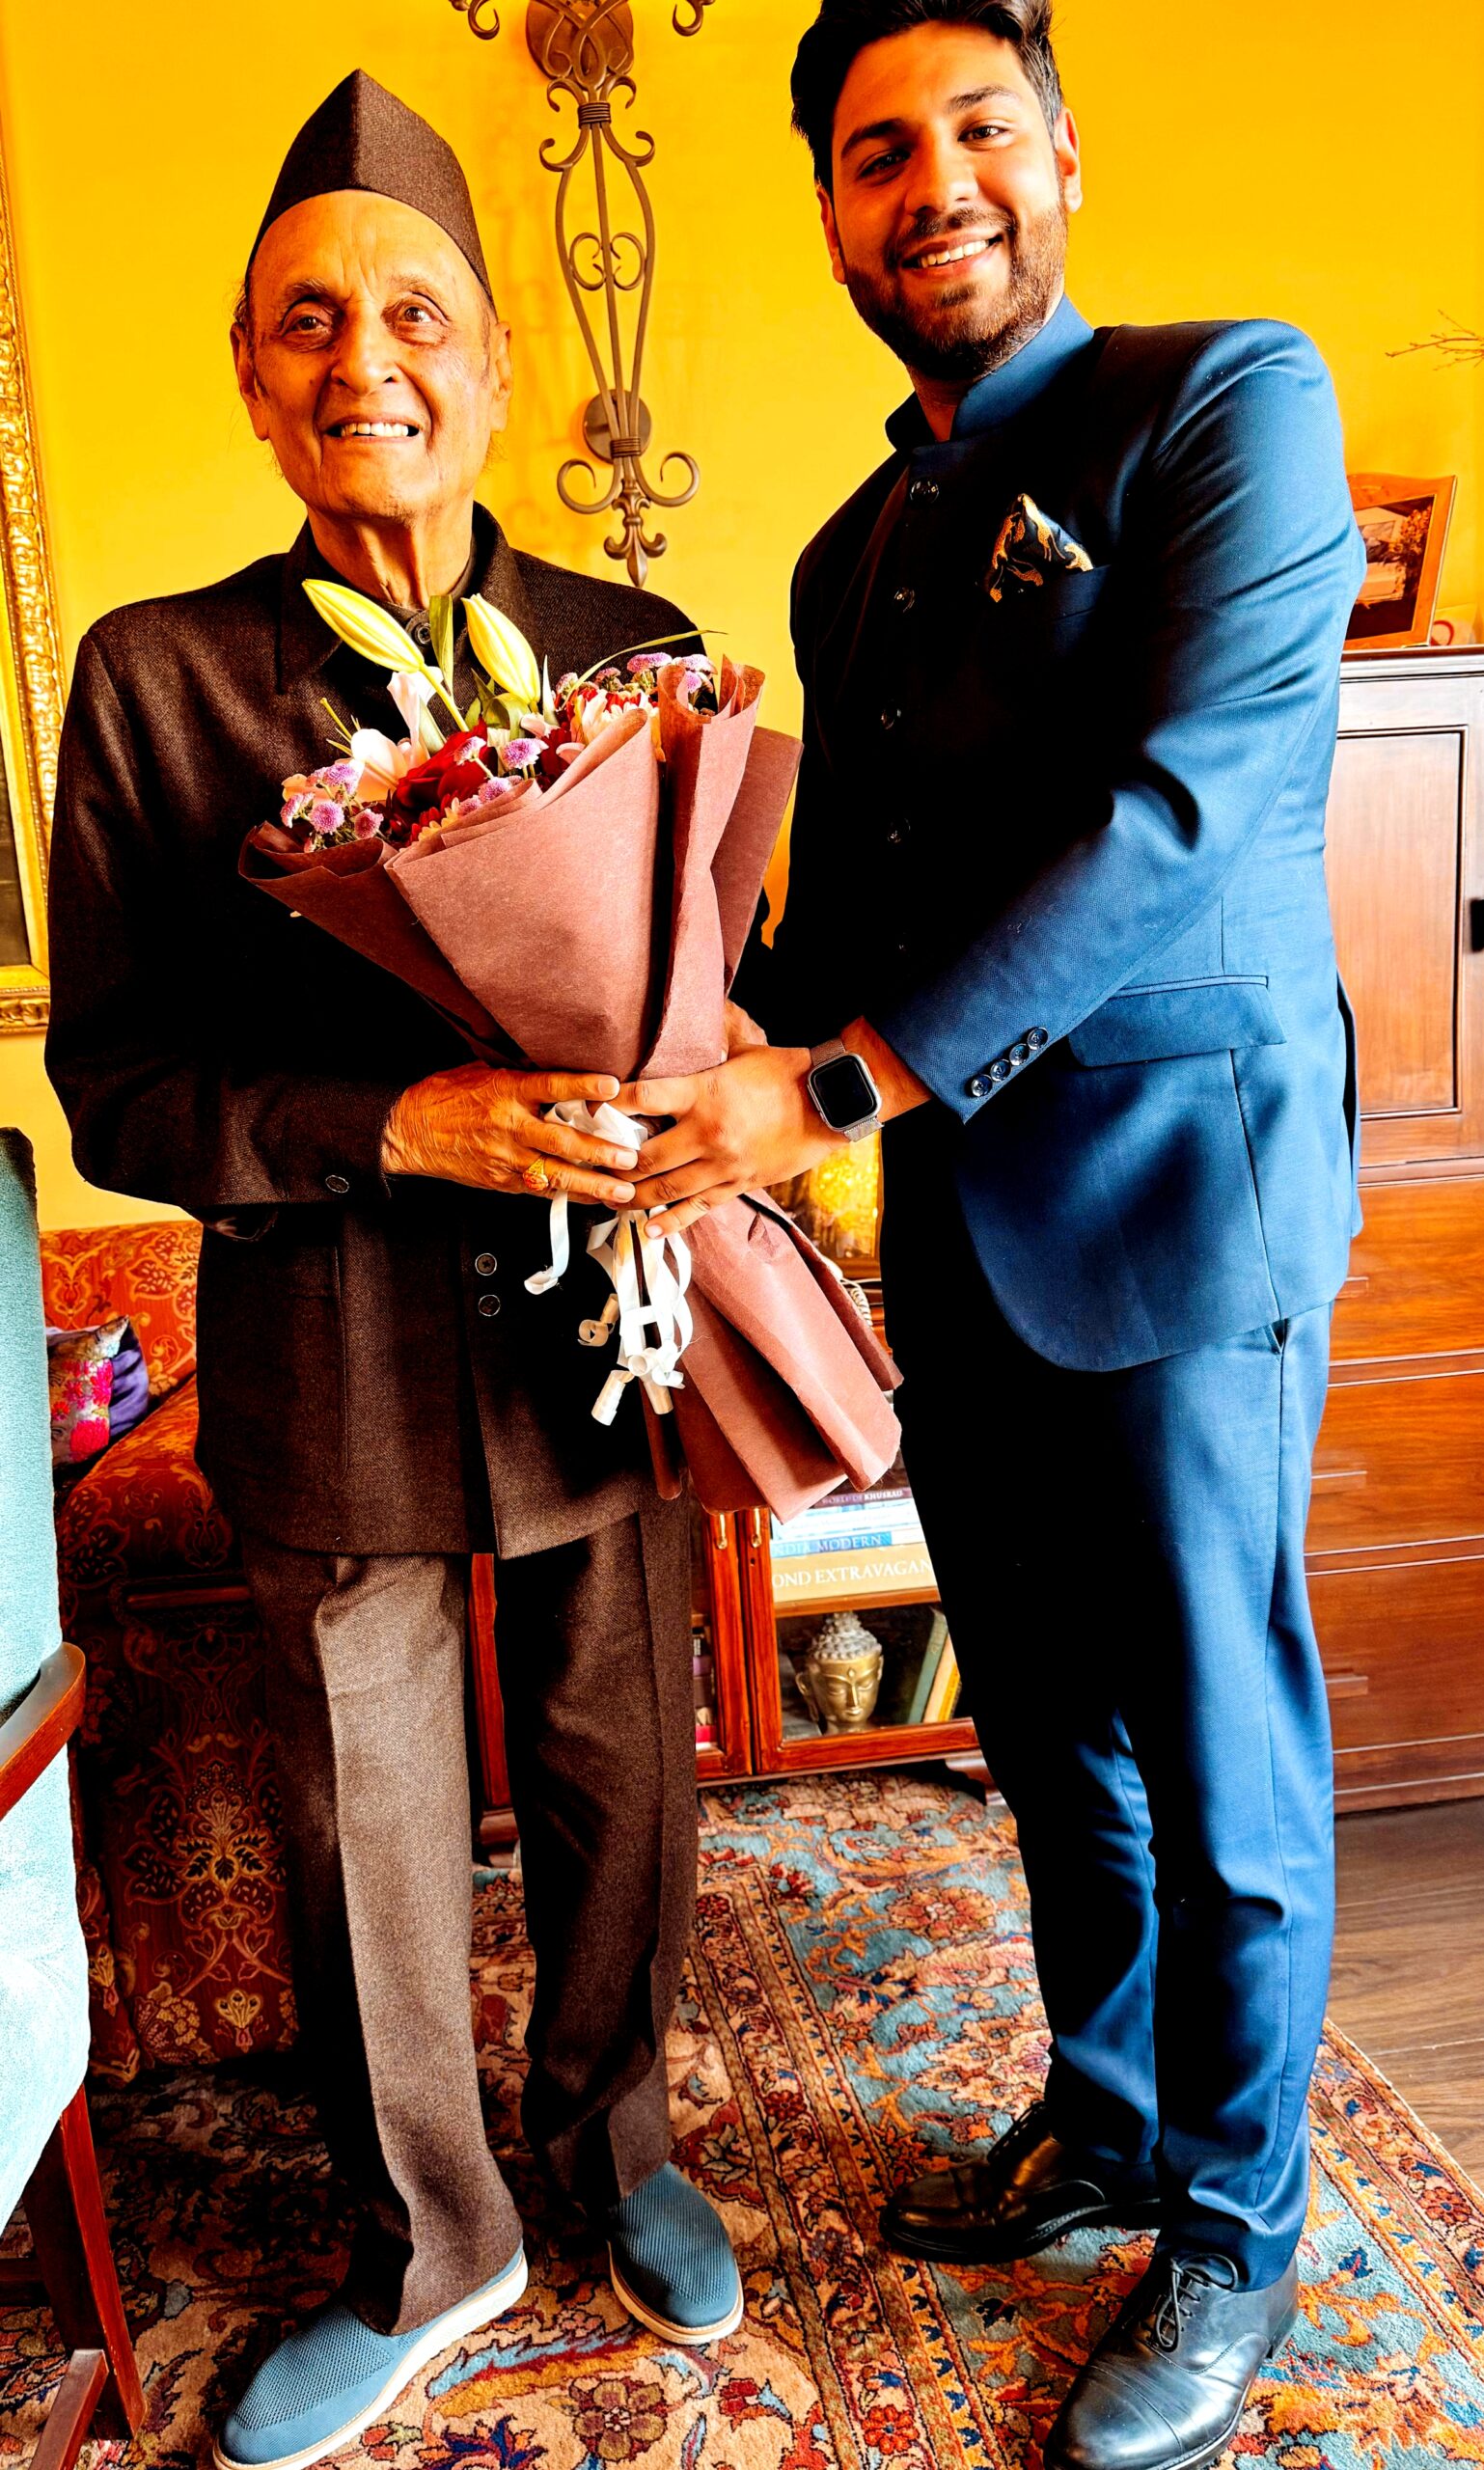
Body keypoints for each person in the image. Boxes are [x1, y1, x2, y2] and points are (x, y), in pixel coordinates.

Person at [617, 7, 1364, 2467]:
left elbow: (1175, 819)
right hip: (955, 1224)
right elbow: (848, 916)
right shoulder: (851, 550)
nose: (922, 182)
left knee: (1217, 1733)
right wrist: (636, 994)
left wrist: (816, 1085)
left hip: (1175, 1198)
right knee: (1043, 1716)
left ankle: (1237, 2227)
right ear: (826, 213)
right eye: (867, 153)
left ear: (1060, 157)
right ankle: (1114, 2109)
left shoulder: (1225, 401)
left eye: (967, 131)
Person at [45, 71, 742, 2470]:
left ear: (501, 362)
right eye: (309, 320)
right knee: (361, 1812)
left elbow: (702, 983)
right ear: (249, 374)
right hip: (323, 1349)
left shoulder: (633, 647)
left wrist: (682, 1109)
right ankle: (433, 2231)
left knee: (615, 1763)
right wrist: (391, 1121)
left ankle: (616, 2145)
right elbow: (117, 1090)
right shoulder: (149, 676)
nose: (370, 359)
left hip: (586, 1327)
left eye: (416, 311)